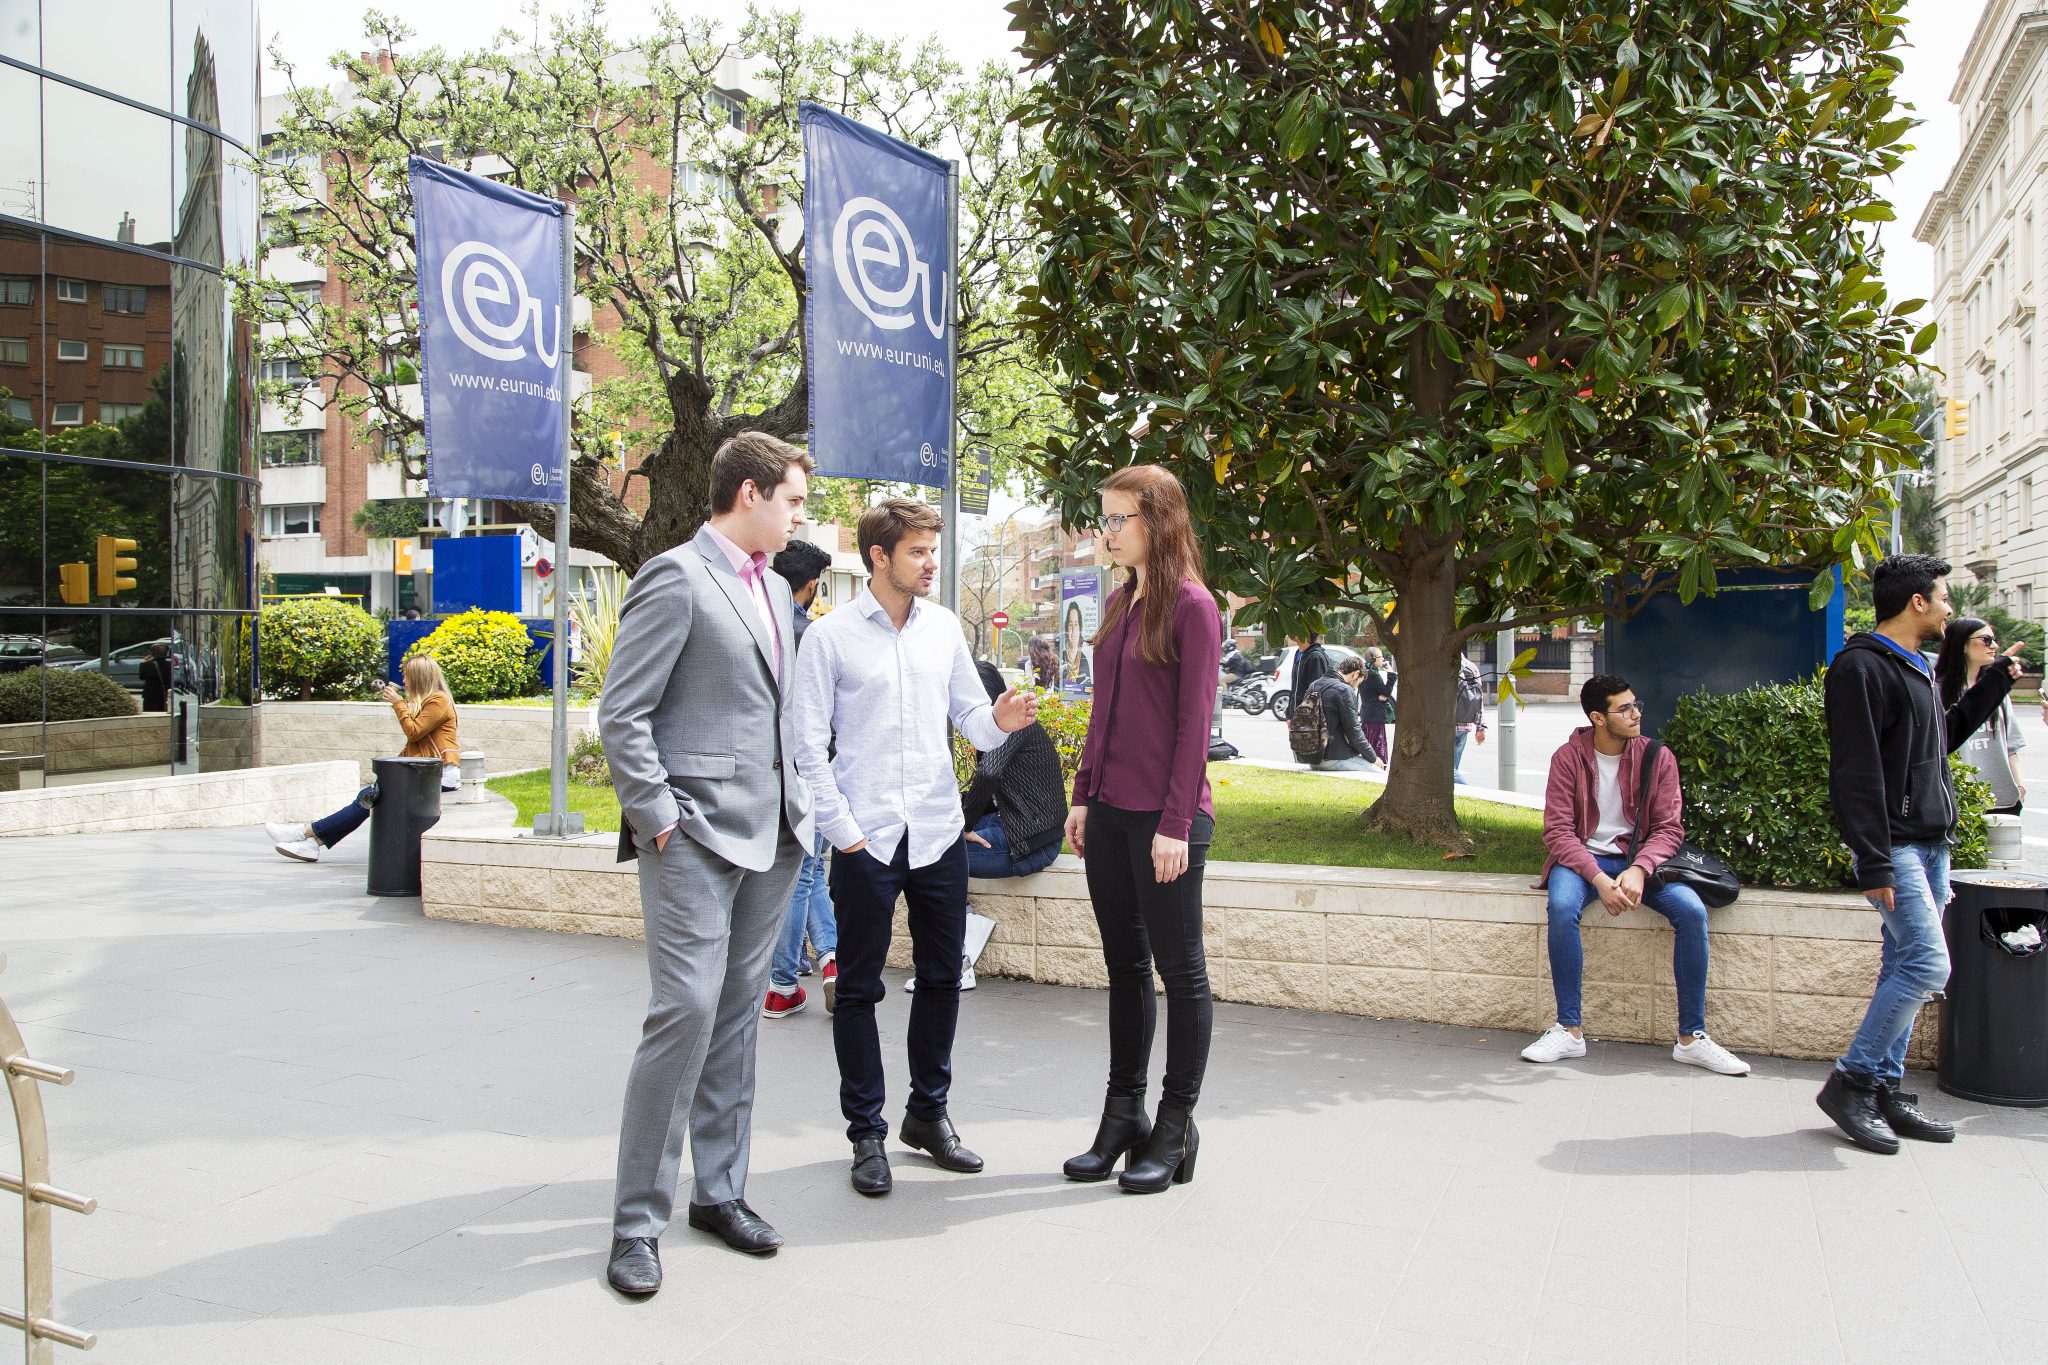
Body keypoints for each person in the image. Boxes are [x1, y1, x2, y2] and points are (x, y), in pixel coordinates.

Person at [597, 433, 817, 1295]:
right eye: (794, 499)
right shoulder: (676, 575)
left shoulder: (773, 589)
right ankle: (635, 1224)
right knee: (683, 1011)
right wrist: (658, 820)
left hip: (775, 834)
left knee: (734, 1017)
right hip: (691, 834)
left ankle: (719, 1193)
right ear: (753, 493)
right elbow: (624, 712)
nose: (801, 515)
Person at [789, 499, 1039, 1197]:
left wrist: (1000, 718)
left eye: (933, 550)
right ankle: (866, 1132)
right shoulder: (830, 637)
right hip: (864, 836)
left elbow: (970, 720)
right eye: (919, 552)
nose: (932, 563)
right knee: (860, 990)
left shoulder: (944, 629)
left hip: (935, 832)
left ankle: (927, 1114)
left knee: (942, 977)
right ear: (879, 555)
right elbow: (805, 742)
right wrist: (844, 830)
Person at [1820, 554, 2023, 1155]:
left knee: (1900, 965)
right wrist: (1874, 859)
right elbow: (1854, 772)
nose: (1950, 608)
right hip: (1898, 846)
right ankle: (1851, 1081)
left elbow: (1945, 738)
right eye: (1944, 596)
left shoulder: (1916, 667)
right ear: (1917, 602)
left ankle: (1883, 1088)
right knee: (1928, 966)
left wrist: (1994, 684)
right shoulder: (1860, 668)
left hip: (1932, 843)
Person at [1061, 465, 1222, 1194]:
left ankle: (1174, 1121)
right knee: (1124, 968)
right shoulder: (1122, 602)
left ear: (1157, 521)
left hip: (1169, 822)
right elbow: (1105, 712)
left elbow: (1195, 726)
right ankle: (1120, 1113)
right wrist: (1083, 794)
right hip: (1113, 813)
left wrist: (1176, 822)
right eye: (1105, 518)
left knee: (1179, 971)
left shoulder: (1192, 605)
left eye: (1119, 518)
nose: (1107, 530)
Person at [1520, 675, 1750, 1075]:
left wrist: (1640, 869)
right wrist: (1597, 878)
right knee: (1560, 907)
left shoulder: (1657, 757)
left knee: (1692, 913)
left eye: (1635, 704)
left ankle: (1692, 1038)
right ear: (1598, 718)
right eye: (1624, 708)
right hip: (1582, 862)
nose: (1636, 713)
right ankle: (1569, 1030)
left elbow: (1669, 828)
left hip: (1640, 862)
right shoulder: (1567, 758)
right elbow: (1557, 831)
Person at [264, 655, 459, 862]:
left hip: (441, 777)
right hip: (427, 773)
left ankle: (305, 833)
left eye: (407, 676)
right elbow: (416, 744)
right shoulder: (431, 701)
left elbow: (414, 732)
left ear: (419, 677)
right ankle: (312, 841)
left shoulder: (439, 700)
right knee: (368, 797)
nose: (404, 681)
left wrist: (398, 703)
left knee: (370, 796)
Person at [763, 539, 839, 1019]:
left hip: (768, 769)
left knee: (800, 873)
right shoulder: (810, 636)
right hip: (809, 769)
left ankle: (814, 970)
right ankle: (792, 977)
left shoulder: (760, 628)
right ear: (812, 585)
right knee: (803, 873)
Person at [962, 660, 1067, 878]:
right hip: (1013, 821)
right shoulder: (993, 726)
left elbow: (988, 773)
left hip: (1033, 844)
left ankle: (963, 913)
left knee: (935, 857)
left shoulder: (1011, 723)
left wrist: (966, 825)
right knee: (931, 838)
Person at [1935, 616, 2027, 814]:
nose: (1993, 645)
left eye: (1994, 640)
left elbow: (2011, 745)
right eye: (1986, 640)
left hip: (2002, 799)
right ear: (1962, 645)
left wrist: (2019, 786)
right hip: (1957, 799)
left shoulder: (1996, 689)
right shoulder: (1936, 690)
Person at [1305, 657, 1384, 772]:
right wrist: (1374, 758)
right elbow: (1354, 733)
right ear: (1356, 674)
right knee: (1379, 773)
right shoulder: (1344, 690)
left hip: (1312, 759)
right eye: (1358, 683)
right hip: (1332, 759)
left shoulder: (1315, 685)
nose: (1356, 687)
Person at [1356, 648, 1396, 765]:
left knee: (1369, 743)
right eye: (1380, 657)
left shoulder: (1365, 672)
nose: (1383, 659)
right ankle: (1378, 765)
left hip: (1367, 714)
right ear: (1373, 659)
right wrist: (1391, 674)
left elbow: (1380, 694)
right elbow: (1386, 692)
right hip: (1375, 715)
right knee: (1377, 745)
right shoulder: (1373, 674)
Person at [1453, 653, 1487, 785]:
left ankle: (1470, 791)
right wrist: (1480, 727)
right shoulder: (1472, 667)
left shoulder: (1445, 665)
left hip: (1448, 726)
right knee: (1453, 768)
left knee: (1449, 771)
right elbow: (1479, 698)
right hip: (1465, 724)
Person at [1289, 634, 1332, 707]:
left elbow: (1316, 693)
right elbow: (1294, 688)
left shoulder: (1315, 657)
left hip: (1306, 714)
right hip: (1296, 712)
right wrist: (1289, 713)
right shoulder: (1299, 653)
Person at [138, 642, 173, 713]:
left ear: (152, 653)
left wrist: (144, 663)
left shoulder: (147, 665)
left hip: (150, 696)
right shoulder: (170, 665)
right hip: (164, 695)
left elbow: (142, 677)